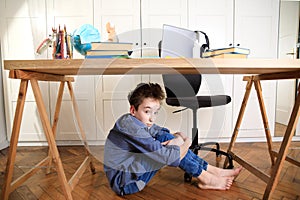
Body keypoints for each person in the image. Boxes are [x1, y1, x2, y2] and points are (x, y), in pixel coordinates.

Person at [104, 83, 242, 196]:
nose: (152, 118)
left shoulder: (134, 121)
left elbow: (160, 131)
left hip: (129, 172)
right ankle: (206, 178)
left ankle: (212, 171)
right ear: (133, 110)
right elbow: (168, 158)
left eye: (155, 112)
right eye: (147, 111)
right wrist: (186, 142)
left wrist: (175, 139)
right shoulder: (131, 127)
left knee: (166, 139)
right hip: (125, 183)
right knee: (169, 150)